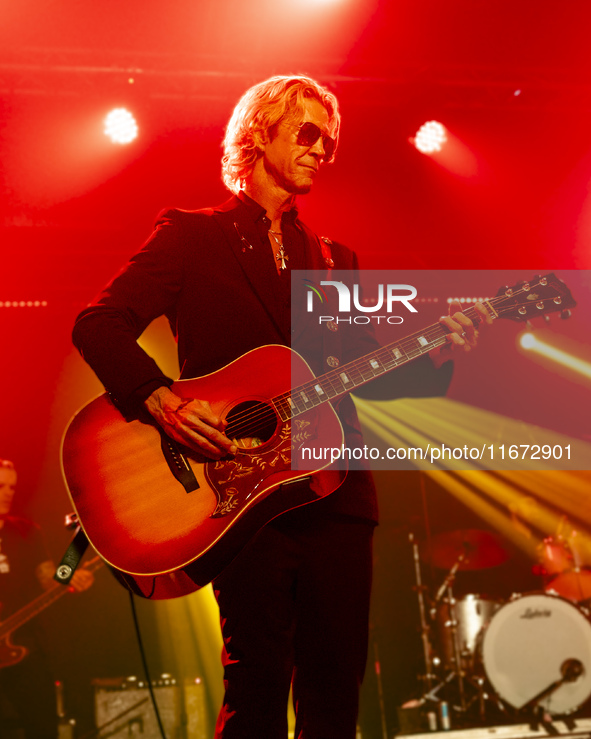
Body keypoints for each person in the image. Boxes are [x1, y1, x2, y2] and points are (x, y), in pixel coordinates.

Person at [71, 75, 488, 738]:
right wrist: (162, 399)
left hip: (335, 496)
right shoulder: (189, 236)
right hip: (237, 496)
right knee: (257, 684)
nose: (321, 149)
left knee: (334, 691)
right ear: (257, 131)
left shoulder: (334, 259)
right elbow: (99, 323)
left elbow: (367, 373)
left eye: (329, 140)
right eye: (307, 132)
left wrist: (442, 350)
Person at [0, 459, 94, 739]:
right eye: (1, 486)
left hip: (24, 649)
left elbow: (49, 578)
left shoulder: (26, 531)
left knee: (42, 727)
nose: (8, 492)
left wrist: (70, 573)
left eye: (12, 487)